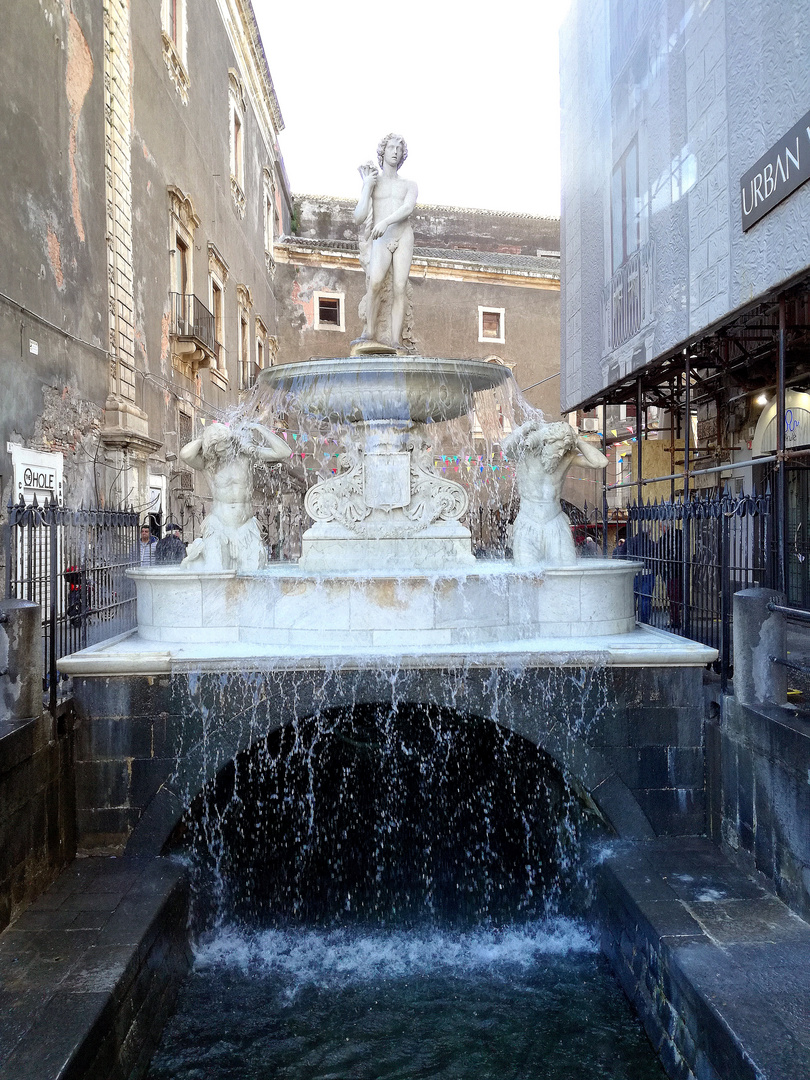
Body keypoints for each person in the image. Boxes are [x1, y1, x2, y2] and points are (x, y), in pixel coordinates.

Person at [180, 421, 291, 572]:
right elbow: (185, 454)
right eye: (222, 448)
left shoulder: (246, 456)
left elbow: (283, 452)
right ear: (213, 450)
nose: (227, 450)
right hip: (219, 525)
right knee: (215, 571)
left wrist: (260, 428)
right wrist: (207, 436)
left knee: (252, 574)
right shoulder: (208, 465)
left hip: (246, 526)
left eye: (228, 444)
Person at [502, 418, 609, 565]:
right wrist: (524, 428)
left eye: (563, 450)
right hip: (528, 523)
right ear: (548, 442)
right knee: (526, 575)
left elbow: (600, 462)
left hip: (555, 523)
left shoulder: (567, 457)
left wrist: (576, 440)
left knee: (566, 571)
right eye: (558, 448)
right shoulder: (526, 453)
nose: (559, 453)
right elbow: (505, 448)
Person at [353, 133, 418, 350]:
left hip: (402, 235)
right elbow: (358, 217)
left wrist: (386, 222)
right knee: (375, 282)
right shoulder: (374, 182)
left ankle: (395, 340)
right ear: (383, 151)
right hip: (381, 239)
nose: (395, 152)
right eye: (391, 147)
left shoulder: (409, 185)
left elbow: (408, 208)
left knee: (400, 287)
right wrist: (365, 187)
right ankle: (370, 332)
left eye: (399, 149)